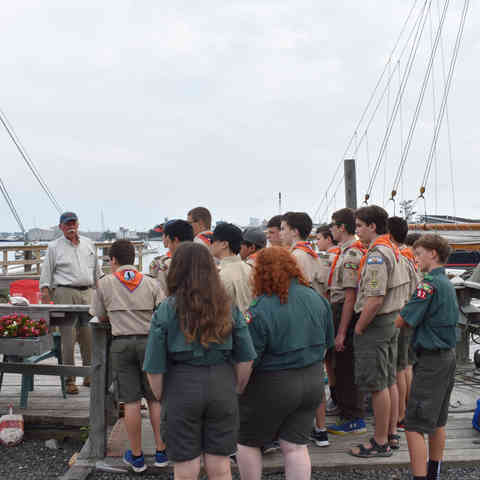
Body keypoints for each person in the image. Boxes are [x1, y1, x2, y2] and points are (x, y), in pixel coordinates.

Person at [143, 242, 257, 480]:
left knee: (186, 464)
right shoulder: (228, 307)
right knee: (220, 464)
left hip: (180, 384)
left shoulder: (166, 309)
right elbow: (246, 357)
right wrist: (236, 387)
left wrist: (163, 396)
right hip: (222, 382)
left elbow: (154, 366)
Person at [237, 247, 334, 480]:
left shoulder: (259, 309)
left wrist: (238, 389)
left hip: (273, 384)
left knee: (247, 441)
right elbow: (327, 343)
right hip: (313, 381)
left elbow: (248, 358)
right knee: (296, 446)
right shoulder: (318, 299)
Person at [90, 240, 167, 473]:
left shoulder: (105, 283)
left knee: (131, 401)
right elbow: (163, 312)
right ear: (133, 258)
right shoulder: (151, 282)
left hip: (122, 344)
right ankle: (162, 452)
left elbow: (99, 315)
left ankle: (136, 456)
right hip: (149, 344)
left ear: (113, 260)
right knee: (155, 399)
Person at [395, 234, 457, 480]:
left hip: (431, 361)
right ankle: (433, 473)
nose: (416, 259)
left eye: (419, 254)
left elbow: (403, 320)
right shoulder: (447, 283)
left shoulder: (428, 285)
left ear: (433, 254)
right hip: (447, 357)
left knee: (414, 425)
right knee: (437, 422)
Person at [350, 205, 409, 458]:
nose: (357, 231)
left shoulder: (377, 254)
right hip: (392, 319)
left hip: (377, 322)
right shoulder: (395, 249)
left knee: (377, 385)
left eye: (359, 226)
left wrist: (359, 327)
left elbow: (374, 298)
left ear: (372, 226)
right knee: (389, 380)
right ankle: (391, 432)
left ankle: (380, 441)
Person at [40, 212, 101, 395]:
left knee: (89, 336)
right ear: (61, 227)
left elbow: (97, 273)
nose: (71, 227)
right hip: (64, 293)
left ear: (78, 224)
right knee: (68, 338)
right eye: (67, 224)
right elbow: (46, 274)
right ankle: (69, 380)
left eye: (73, 223)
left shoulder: (89, 244)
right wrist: (45, 296)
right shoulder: (53, 247)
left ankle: (89, 375)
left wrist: (101, 293)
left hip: (88, 293)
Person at [326, 208, 367, 435]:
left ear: (341, 227)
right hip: (340, 309)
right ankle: (346, 410)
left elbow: (350, 296)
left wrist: (341, 331)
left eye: (333, 225)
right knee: (339, 364)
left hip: (345, 312)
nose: (331, 229)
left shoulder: (352, 254)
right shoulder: (345, 251)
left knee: (346, 365)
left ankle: (353, 417)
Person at [388, 216, 421, 432]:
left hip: (401, 315)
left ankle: (400, 414)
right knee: (407, 365)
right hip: (411, 316)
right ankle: (406, 409)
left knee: (399, 368)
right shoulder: (411, 258)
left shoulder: (399, 256)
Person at [211, 223, 253, 314]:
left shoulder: (220, 276)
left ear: (224, 244)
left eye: (212, 240)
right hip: (251, 320)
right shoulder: (249, 269)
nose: (211, 244)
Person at [280, 212, 324, 295]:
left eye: (283, 229)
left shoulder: (297, 256)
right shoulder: (310, 252)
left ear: (294, 231)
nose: (280, 233)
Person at [149, 220, 194, 295]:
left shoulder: (160, 265)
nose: (163, 237)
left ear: (175, 240)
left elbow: (160, 295)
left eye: (164, 234)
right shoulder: (203, 261)